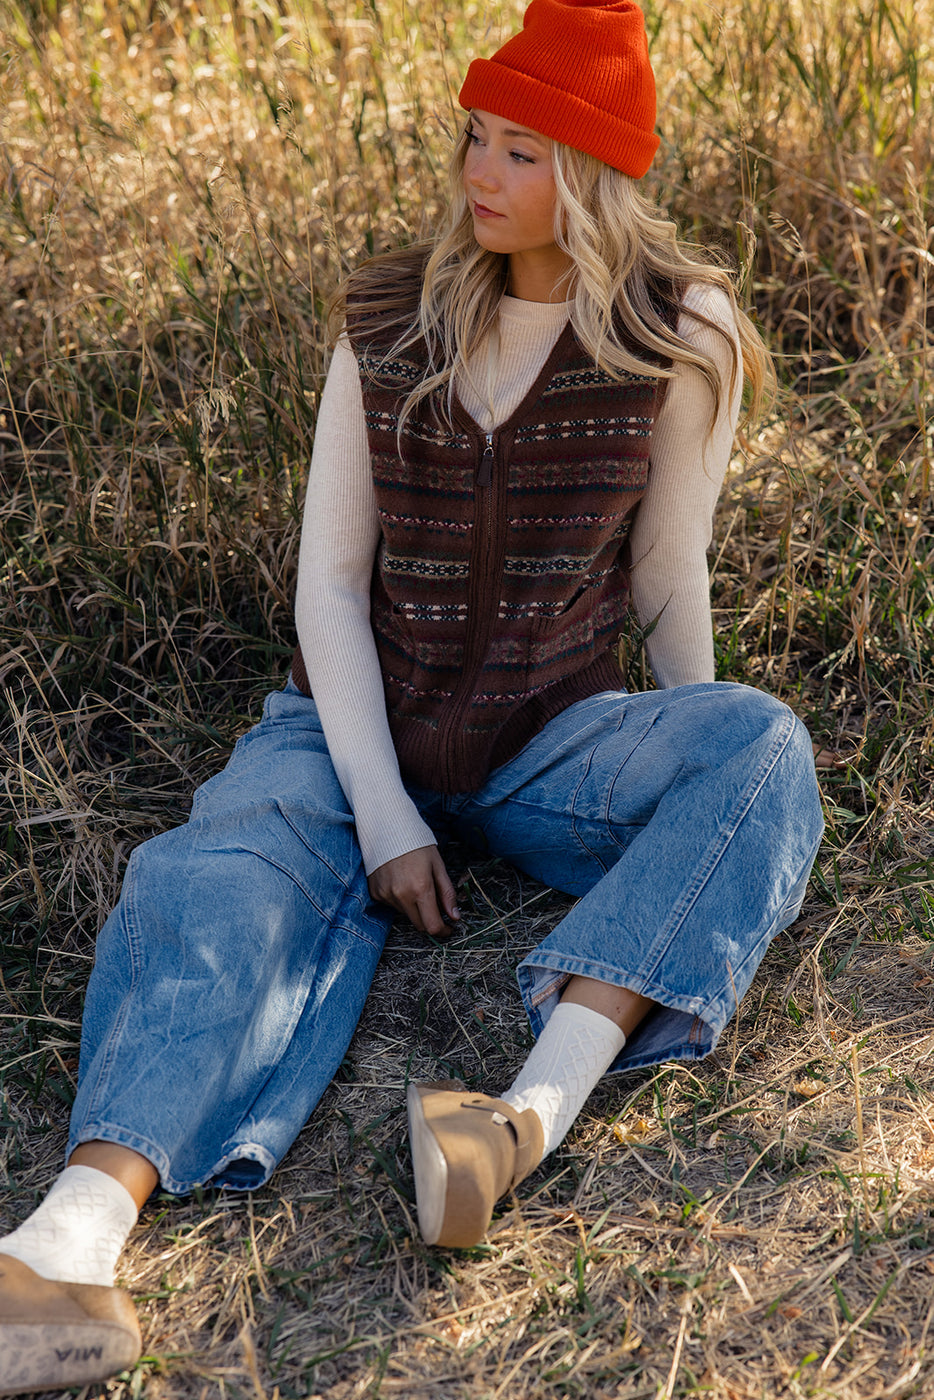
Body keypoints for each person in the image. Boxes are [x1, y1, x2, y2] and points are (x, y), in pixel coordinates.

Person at [0, 0, 824, 1389]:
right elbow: (326, 587)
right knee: (218, 877)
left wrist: (697, 794)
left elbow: (668, 582)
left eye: (519, 149)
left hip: (551, 745)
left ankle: (513, 1124)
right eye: (473, 141)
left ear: (598, 173)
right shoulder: (391, 316)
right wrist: (383, 819)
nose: (478, 175)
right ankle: (66, 1241)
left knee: (758, 747)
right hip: (343, 729)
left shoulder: (681, 329)